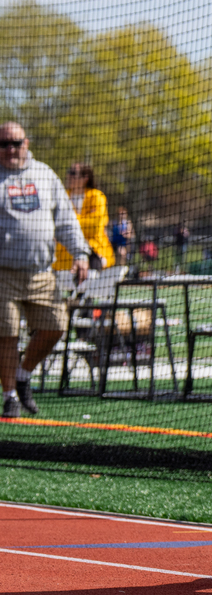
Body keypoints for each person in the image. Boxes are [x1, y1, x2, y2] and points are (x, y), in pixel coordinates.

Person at [0, 124, 91, 419]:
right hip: (4, 274)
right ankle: (10, 395)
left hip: (41, 273)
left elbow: (65, 219)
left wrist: (80, 253)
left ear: (26, 143)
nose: (10, 149)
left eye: (15, 143)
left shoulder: (44, 174)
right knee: (7, 334)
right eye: (3, 144)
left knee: (56, 325)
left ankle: (24, 375)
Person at [56, 164, 113, 272]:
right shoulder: (62, 197)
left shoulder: (97, 196)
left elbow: (94, 227)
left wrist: (69, 221)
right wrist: (83, 220)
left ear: (85, 178)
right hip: (64, 260)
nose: (69, 176)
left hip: (95, 255)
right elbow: (56, 224)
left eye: (73, 173)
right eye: (69, 172)